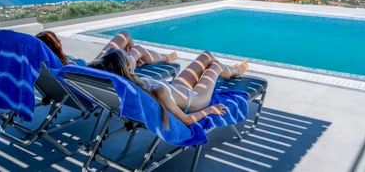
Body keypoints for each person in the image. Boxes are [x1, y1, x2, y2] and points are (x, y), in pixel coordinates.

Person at [89, 48, 249, 125]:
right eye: (128, 56)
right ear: (127, 68)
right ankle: (237, 71)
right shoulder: (156, 91)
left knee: (206, 56)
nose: (131, 55)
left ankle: (235, 69)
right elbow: (186, 120)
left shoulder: (128, 85)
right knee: (214, 66)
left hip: (177, 89)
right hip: (194, 99)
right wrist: (209, 110)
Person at [35, 31, 177, 70]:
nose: (61, 43)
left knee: (124, 35)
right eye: (59, 42)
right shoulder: (67, 68)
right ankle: (165, 58)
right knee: (139, 49)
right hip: (110, 69)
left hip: (96, 65)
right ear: (56, 47)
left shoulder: (46, 65)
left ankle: (136, 61)